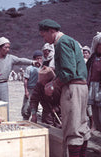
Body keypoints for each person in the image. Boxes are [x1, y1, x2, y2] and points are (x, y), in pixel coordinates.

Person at [39, 19, 91, 157]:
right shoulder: (70, 41)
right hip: (81, 87)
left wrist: (53, 85)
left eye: (44, 35)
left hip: (72, 89)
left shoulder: (62, 43)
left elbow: (68, 72)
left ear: (51, 31)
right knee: (82, 126)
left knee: (72, 129)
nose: (44, 39)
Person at [0, 36, 40, 120]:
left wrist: (32, 62)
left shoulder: (11, 58)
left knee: (4, 106)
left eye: (8, 48)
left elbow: (21, 60)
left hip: (3, 85)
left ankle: (5, 124)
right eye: (5, 47)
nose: (7, 49)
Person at [21, 50, 43, 120]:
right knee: (27, 107)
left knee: (39, 108)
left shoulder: (43, 68)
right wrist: (26, 90)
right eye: (37, 58)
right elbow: (25, 80)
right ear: (34, 59)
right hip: (30, 89)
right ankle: (25, 120)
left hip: (39, 90)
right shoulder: (29, 68)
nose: (39, 60)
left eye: (40, 58)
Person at [86, 32, 101, 131]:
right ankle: (96, 125)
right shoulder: (92, 58)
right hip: (92, 85)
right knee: (93, 107)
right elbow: (87, 70)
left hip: (100, 87)